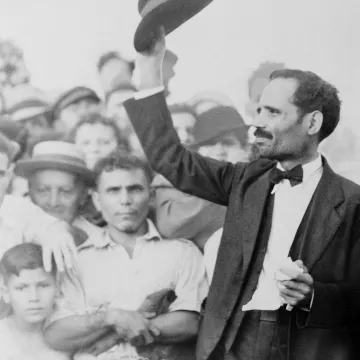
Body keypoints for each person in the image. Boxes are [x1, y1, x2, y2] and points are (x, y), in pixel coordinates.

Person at [123, 29, 360, 360]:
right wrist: (150, 66)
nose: (256, 124)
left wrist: (314, 297)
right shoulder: (244, 180)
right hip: (228, 346)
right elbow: (170, 158)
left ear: (313, 122)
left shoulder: (352, 203)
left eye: (272, 113)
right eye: (258, 110)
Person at [44, 153, 208, 360]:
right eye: (113, 191)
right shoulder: (77, 259)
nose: (125, 200)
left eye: (135, 189)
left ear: (151, 195)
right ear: (96, 199)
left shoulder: (183, 252)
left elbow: (193, 322)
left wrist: (118, 331)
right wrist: (110, 318)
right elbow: (55, 334)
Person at [154, 106, 249, 254]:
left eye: (228, 143)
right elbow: (171, 227)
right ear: (197, 151)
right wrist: (224, 181)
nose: (219, 151)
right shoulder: (174, 180)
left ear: (245, 149)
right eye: (209, 143)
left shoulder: (262, 177)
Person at [0, 132, 78, 273]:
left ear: (10, 173)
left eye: (0, 174)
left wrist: (58, 232)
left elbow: (52, 226)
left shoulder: (16, 208)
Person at [14, 140, 103, 245]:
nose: (53, 202)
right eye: (43, 191)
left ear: (83, 196)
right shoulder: (10, 233)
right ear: (29, 190)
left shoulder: (99, 243)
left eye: (66, 192)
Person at [0, 243, 69, 359]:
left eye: (43, 286)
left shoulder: (70, 335)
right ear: (5, 293)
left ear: (57, 287)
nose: (34, 298)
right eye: (21, 288)